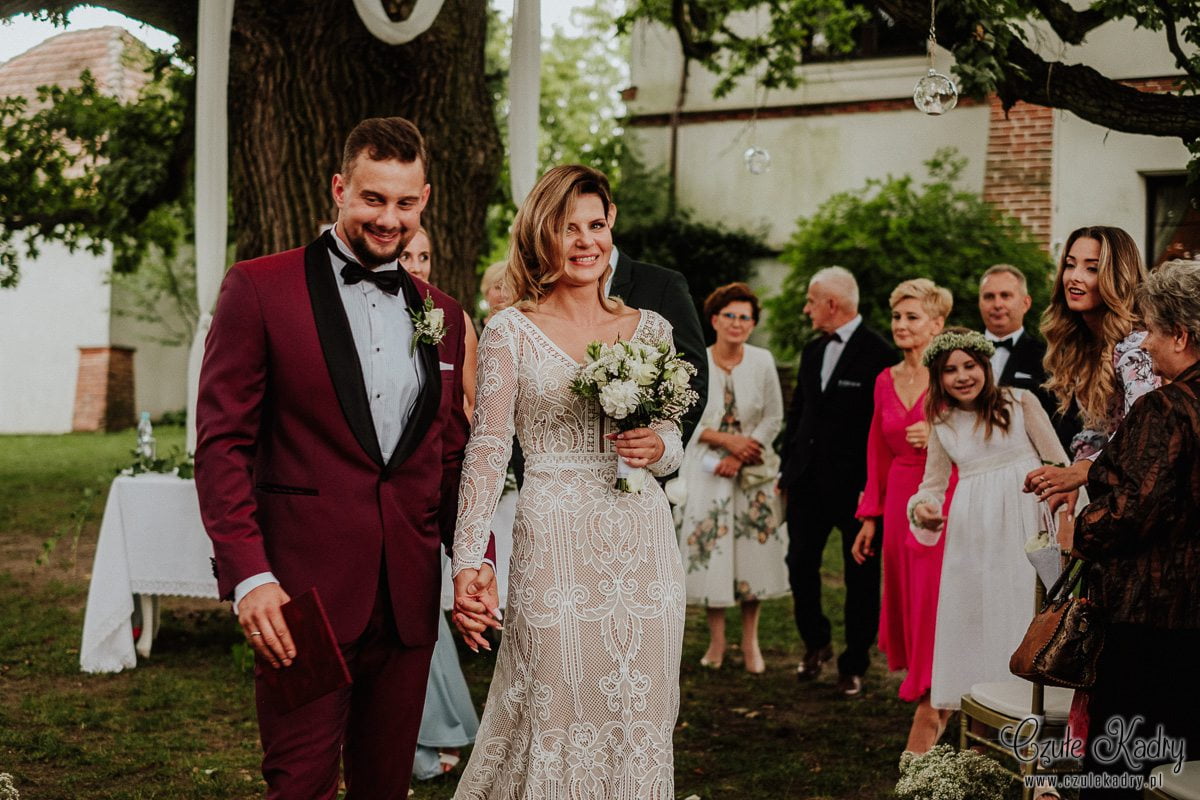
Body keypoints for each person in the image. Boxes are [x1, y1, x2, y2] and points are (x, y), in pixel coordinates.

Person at [194, 117, 496, 798]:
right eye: (372, 198)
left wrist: (473, 560)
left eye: (405, 202)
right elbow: (221, 445)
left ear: (425, 199)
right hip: (300, 596)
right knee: (299, 782)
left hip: (408, 600)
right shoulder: (259, 288)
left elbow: (450, 458)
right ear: (339, 188)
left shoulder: (443, 314)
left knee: (384, 786)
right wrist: (250, 577)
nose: (389, 219)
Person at [449, 164, 686, 797]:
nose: (586, 242)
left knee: (640, 707)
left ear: (612, 227)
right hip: (554, 538)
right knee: (554, 700)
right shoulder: (510, 332)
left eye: (596, 225)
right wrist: (468, 561)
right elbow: (488, 451)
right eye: (567, 228)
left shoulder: (652, 329)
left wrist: (658, 446)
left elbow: (670, 443)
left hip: (642, 540)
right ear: (541, 235)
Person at [1072, 259, 1200, 799]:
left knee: (1118, 772)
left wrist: (1082, 529)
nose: (1144, 343)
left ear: (1181, 335)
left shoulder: (1165, 408)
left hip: (1151, 617)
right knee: (1179, 767)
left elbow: (1133, 509)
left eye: (1151, 330)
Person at [908, 328, 1070, 711]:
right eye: (950, 370)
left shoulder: (1020, 402)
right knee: (977, 610)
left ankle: (1034, 698)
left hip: (1024, 522)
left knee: (1023, 602)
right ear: (938, 378)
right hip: (973, 533)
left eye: (970, 366)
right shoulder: (943, 425)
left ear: (985, 365)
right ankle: (987, 699)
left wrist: (1066, 519)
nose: (962, 376)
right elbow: (931, 485)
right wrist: (923, 509)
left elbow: (1058, 463)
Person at [779, 266, 895, 696]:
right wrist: (787, 468)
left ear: (831, 304)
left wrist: (874, 489)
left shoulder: (880, 354)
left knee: (860, 578)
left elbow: (882, 427)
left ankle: (854, 663)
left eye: (811, 301)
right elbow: (799, 413)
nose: (806, 309)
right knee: (799, 565)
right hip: (806, 483)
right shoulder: (812, 351)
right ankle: (816, 642)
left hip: (856, 489)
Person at [850, 278, 952, 751]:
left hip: (941, 497)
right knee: (907, 594)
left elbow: (976, 434)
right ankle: (929, 682)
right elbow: (876, 449)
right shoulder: (884, 379)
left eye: (913, 316)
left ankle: (932, 697)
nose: (901, 325)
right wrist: (870, 517)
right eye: (896, 316)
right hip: (896, 500)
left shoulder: (953, 374)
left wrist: (938, 435)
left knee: (933, 595)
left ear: (937, 324)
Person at [677, 282, 789, 674]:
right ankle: (717, 641)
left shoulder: (762, 361)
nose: (737, 323)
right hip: (707, 466)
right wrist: (725, 442)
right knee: (714, 551)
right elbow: (686, 417)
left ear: (753, 324)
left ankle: (751, 640)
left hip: (753, 469)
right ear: (714, 320)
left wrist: (742, 452)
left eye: (745, 317)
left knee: (752, 551)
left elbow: (774, 416)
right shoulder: (697, 361)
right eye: (730, 316)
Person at [1025, 226, 1158, 515]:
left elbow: (1144, 433)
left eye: (1091, 268)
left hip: (1150, 503)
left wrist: (1081, 471)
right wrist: (1071, 479)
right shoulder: (1086, 346)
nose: (1074, 277)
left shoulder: (1136, 348)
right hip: (1114, 495)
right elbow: (1098, 431)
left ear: (1116, 278)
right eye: (1070, 265)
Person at [977, 263, 1079, 450]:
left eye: (1006, 296)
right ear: (980, 303)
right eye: (989, 297)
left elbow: (1066, 419)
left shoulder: (1050, 357)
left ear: (1026, 303)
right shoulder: (964, 355)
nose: (997, 304)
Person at [401, 226, 479, 419]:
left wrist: (450, 434)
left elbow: (476, 402)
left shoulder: (456, 318)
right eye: (405, 256)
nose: (416, 267)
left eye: (424, 257)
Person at [479, 260, 512, 325]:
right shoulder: (468, 326)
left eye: (509, 288)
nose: (504, 294)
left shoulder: (527, 329)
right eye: (498, 287)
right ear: (486, 291)